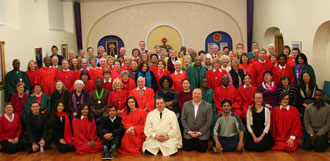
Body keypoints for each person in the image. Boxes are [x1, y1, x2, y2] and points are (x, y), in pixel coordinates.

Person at [181, 88, 213, 152]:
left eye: (198, 94)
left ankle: (197, 142)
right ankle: (194, 142)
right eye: (194, 93)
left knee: (202, 150)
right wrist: (189, 131)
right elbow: (183, 119)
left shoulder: (208, 106)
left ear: (201, 95)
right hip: (189, 132)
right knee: (187, 149)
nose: (196, 95)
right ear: (192, 95)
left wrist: (200, 132)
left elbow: (209, 121)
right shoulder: (186, 105)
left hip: (202, 133)